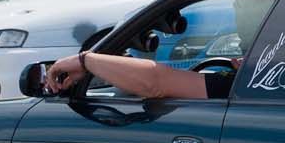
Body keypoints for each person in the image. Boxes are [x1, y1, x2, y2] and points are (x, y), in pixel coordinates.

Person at [44, 48, 235, 100]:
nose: (237, 5)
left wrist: (84, 60)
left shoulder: (245, 83)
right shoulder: (245, 80)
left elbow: (155, 83)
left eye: (241, 1)